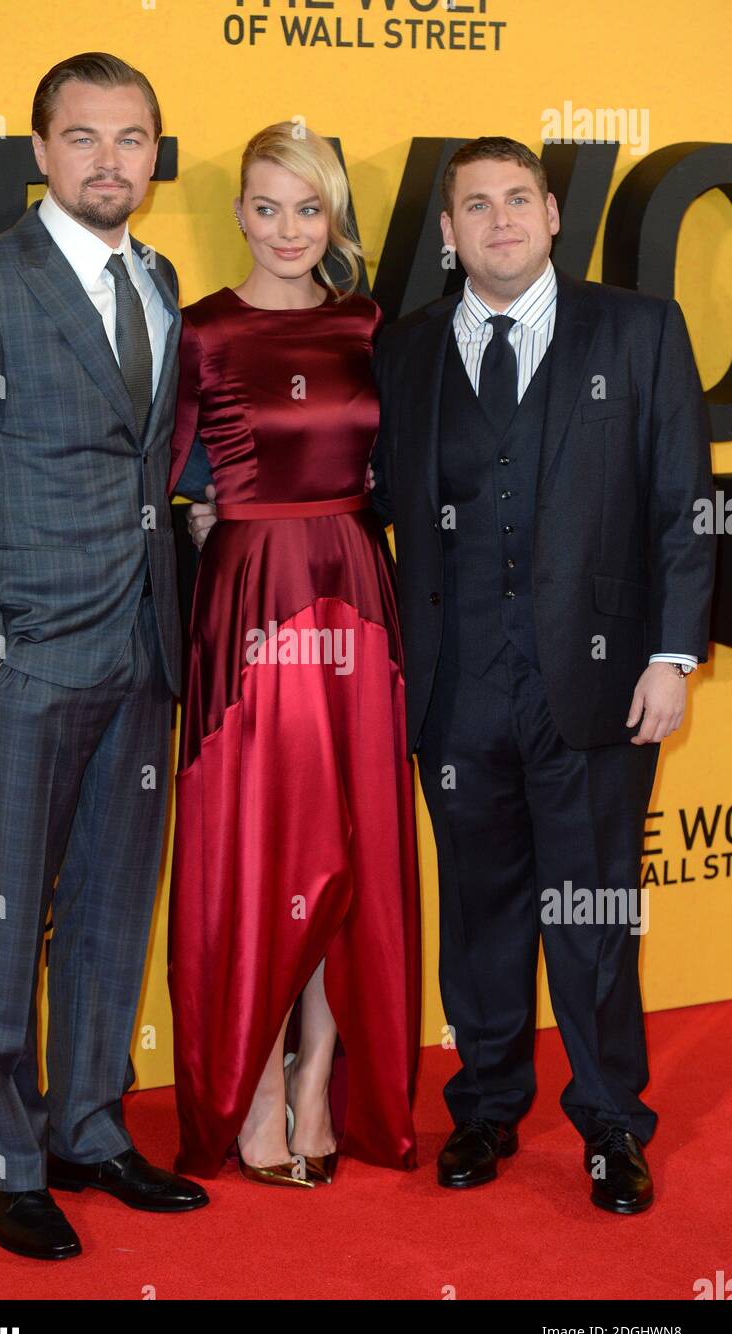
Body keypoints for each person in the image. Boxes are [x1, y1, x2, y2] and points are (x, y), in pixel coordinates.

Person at [0, 52, 208, 1260]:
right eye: (85, 139)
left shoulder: (162, 277)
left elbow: (146, 452)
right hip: (27, 658)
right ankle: (9, 1158)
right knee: (13, 912)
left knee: (113, 909)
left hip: (142, 645)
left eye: (132, 139)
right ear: (40, 152)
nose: (111, 161)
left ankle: (87, 1126)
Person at [368, 136, 716, 1213]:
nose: (501, 220)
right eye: (476, 205)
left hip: (602, 685)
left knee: (594, 911)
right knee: (481, 913)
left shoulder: (639, 329)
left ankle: (612, 1123)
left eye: (519, 199)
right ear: (447, 231)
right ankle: (485, 1106)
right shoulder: (410, 349)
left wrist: (672, 655)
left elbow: (683, 506)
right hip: (458, 685)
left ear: (554, 215)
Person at [167, 121, 422, 1187]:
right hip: (252, 601)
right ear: (237, 214)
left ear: (334, 218)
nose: (284, 229)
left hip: (355, 589)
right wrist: (195, 517)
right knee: (264, 848)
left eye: (306, 208)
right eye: (264, 206)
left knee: (352, 854)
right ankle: (257, 1085)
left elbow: (415, 465)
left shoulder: (371, 324)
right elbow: (166, 475)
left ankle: (320, 1079)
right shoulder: (200, 332)